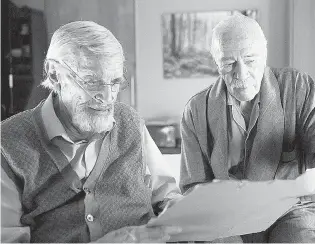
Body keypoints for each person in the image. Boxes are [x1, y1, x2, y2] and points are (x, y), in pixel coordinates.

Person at [179, 14, 315, 242]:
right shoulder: (196, 110)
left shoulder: (298, 87)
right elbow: (193, 183)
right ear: (217, 64)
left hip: (290, 209)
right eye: (229, 63)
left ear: (264, 56)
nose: (241, 74)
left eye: (250, 60)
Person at [1, 21, 182, 243]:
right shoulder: (7, 144)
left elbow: (166, 196)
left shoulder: (129, 122)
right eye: (91, 82)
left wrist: (186, 216)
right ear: (55, 74)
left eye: (114, 82)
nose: (107, 98)